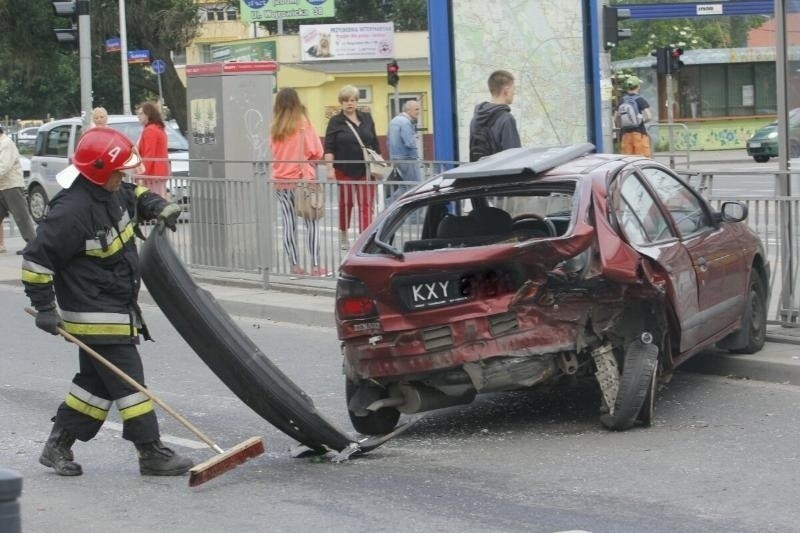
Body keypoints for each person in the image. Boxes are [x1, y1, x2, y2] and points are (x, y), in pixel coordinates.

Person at [21, 127, 192, 478]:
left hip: (116, 305)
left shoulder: (111, 193)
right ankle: (151, 452)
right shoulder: (71, 212)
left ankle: (57, 445)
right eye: (119, 170)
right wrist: (44, 309)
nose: (124, 176)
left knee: (95, 385)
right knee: (131, 385)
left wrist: (161, 207)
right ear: (100, 170)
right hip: (94, 313)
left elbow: (137, 194)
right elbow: (36, 260)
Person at [270, 88, 327, 277]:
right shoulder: (303, 124)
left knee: (288, 223)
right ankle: (316, 266)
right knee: (311, 223)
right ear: (296, 102)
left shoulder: (275, 126)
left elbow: (273, 152)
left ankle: (294, 265)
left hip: (281, 182)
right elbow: (317, 151)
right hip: (303, 181)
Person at [324, 85, 381, 251]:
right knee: (346, 204)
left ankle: (365, 238)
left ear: (357, 102)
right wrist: (329, 169)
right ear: (341, 102)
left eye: (353, 100)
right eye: (346, 100)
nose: (350, 103)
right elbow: (329, 147)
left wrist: (380, 163)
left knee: (366, 205)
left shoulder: (367, 118)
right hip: (344, 169)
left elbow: (375, 143)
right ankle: (343, 234)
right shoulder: (335, 122)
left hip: (367, 169)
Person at [469, 69, 521, 162]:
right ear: (506, 91)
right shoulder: (506, 119)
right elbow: (514, 158)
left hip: (479, 173)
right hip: (499, 175)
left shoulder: (476, 118)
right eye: (513, 89)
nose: (514, 93)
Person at [0, 126, 37, 254]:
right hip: (2, 185)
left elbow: (4, 166)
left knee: (21, 215)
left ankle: (33, 244)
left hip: (12, 185)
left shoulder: (6, 143)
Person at [387, 99, 422, 204]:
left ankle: (390, 205)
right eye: (416, 109)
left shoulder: (394, 121)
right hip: (408, 158)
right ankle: (413, 214)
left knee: (404, 186)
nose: (418, 112)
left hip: (396, 158)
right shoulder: (406, 122)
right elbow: (409, 142)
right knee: (414, 186)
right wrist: (417, 157)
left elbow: (388, 140)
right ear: (408, 110)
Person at [136, 101, 170, 198]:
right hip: (159, 172)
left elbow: (149, 155)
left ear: (148, 114)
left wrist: (142, 175)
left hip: (153, 174)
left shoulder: (150, 130)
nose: (138, 116)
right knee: (158, 201)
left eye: (141, 114)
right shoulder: (158, 128)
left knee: (153, 203)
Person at [618, 76, 652, 157]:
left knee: (627, 159)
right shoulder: (640, 99)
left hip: (625, 134)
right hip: (639, 133)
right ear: (638, 87)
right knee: (642, 159)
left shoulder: (622, 100)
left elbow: (617, 117)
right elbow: (649, 117)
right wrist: (640, 121)